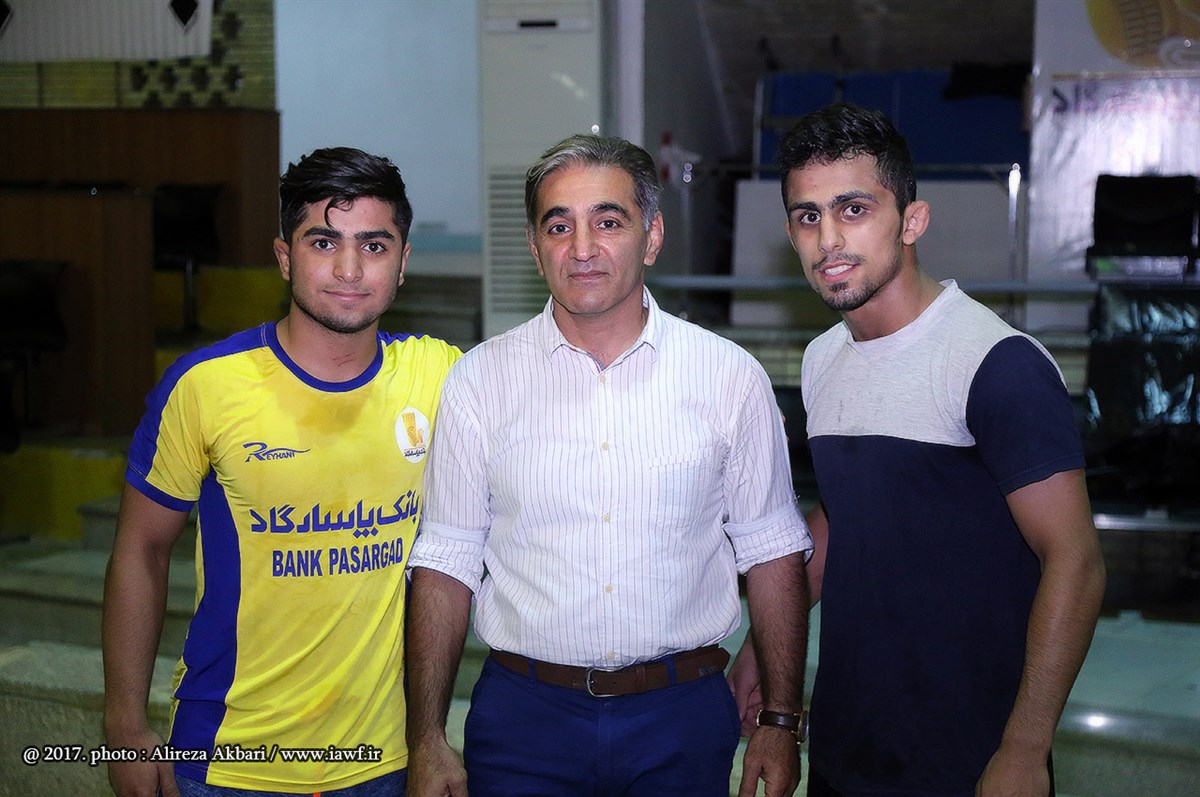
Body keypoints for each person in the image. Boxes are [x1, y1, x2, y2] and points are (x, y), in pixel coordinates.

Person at [404, 134, 812, 797]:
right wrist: (424, 736)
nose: (583, 248)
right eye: (558, 226)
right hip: (523, 722)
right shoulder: (479, 382)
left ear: (652, 237)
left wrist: (781, 719)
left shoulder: (729, 378)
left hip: (681, 719)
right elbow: (446, 563)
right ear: (534, 248)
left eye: (609, 221)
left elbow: (772, 553)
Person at [731, 102, 1107, 797]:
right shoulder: (823, 359)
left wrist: (1026, 748)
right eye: (808, 217)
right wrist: (762, 644)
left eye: (853, 209)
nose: (829, 240)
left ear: (911, 220)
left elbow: (1076, 562)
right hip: (848, 746)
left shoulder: (996, 363)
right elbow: (842, 515)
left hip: (972, 757)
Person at [102, 147, 461, 797]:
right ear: (284, 256)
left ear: (403, 261)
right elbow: (141, 550)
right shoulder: (207, 386)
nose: (349, 269)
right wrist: (125, 723)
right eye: (323, 242)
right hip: (227, 761)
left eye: (374, 245)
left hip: (384, 763)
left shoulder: (438, 375)